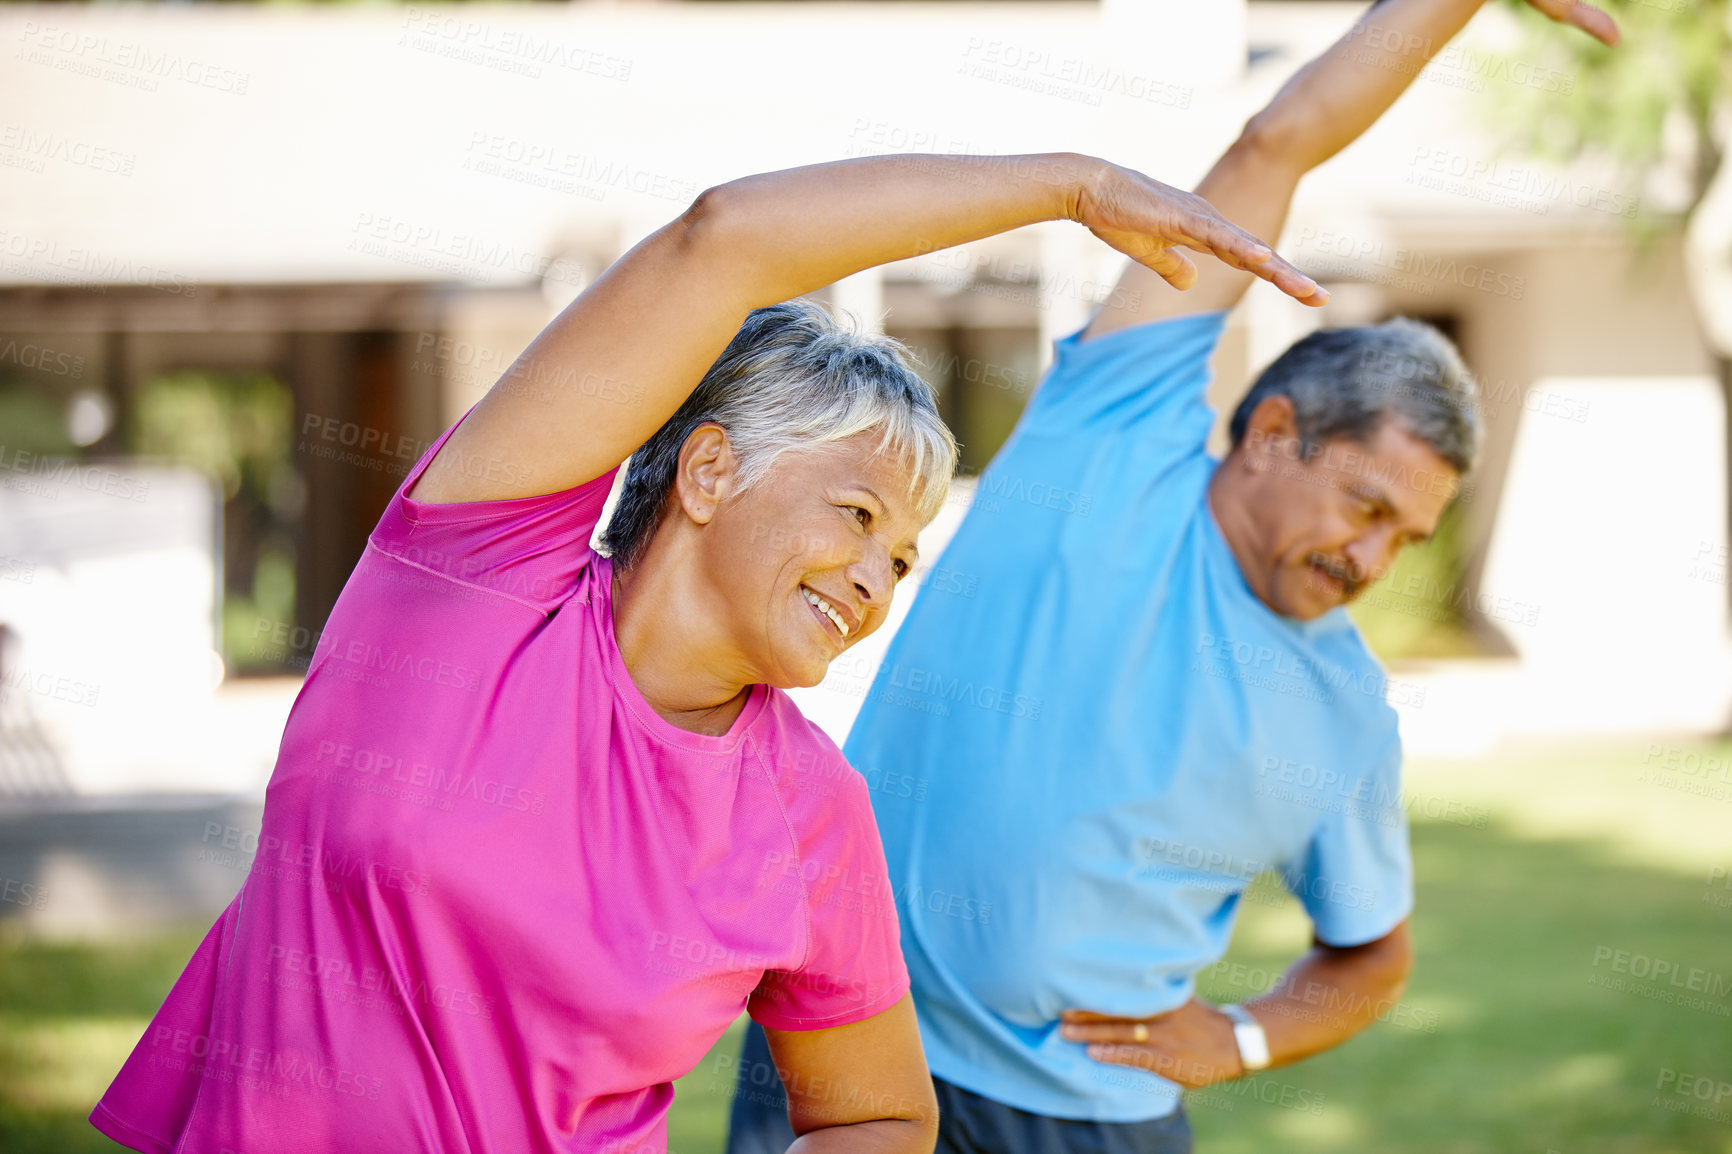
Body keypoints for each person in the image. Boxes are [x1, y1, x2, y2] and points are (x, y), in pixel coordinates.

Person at [89, 151, 1321, 1154]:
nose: (875, 577)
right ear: (710, 467)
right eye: (856, 516)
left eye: (900, 556)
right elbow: (720, 240)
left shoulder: (809, 811)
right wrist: (1065, 186)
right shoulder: (469, 582)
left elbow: (885, 1114)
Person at [726, 2, 1619, 1152]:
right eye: (1364, 505)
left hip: (1089, 1121)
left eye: (1403, 536)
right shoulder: (1113, 430)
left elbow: (1373, 951)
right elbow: (1275, 145)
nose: (1371, 556)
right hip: (843, 1044)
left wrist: (1242, 1036)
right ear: (1273, 431)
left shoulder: (1345, 710)